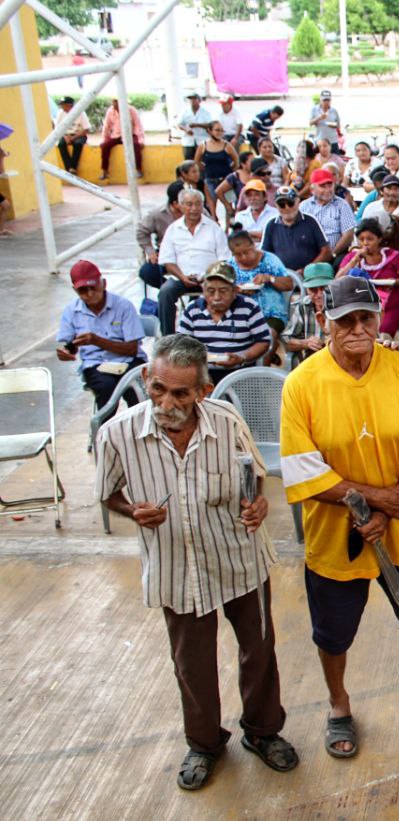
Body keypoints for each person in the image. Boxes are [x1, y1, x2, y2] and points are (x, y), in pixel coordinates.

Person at [95, 334, 297, 790]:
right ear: (147, 378)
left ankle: (264, 733)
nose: (167, 402)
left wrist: (258, 504)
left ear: (203, 391)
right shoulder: (118, 435)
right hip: (177, 568)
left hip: (239, 559)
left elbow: (255, 476)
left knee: (259, 652)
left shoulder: (226, 422)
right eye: (158, 388)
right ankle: (205, 744)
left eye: (181, 393)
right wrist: (133, 512)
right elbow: (108, 495)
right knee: (192, 664)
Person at [281, 276, 399, 753]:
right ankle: (339, 704)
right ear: (324, 322)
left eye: (366, 318)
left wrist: (396, 503)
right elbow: (302, 468)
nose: (357, 329)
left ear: (380, 319)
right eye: (344, 321)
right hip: (336, 530)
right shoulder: (302, 384)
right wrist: (379, 502)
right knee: (332, 633)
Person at [56, 260, 147, 409]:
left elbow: (132, 349)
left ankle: (139, 430)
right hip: (95, 364)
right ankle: (104, 430)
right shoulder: (71, 311)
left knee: (136, 393)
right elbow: (70, 345)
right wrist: (66, 352)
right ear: (75, 291)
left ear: (103, 283)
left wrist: (97, 341)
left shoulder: (123, 306)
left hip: (130, 360)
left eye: (93, 287)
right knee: (106, 389)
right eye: (83, 291)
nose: (90, 294)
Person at [175, 261, 272, 380]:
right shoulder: (192, 309)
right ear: (203, 289)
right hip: (202, 374)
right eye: (211, 291)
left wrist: (242, 358)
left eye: (223, 291)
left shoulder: (249, 307)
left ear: (235, 290)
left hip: (240, 374)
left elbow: (263, 342)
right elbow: (181, 345)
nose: (216, 297)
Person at [157, 189, 232, 335]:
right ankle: (169, 338)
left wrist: (207, 275)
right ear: (180, 205)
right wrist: (182, 277)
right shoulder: (173, 229)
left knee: (221, 292)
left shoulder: (213, 228)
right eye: (189, 204)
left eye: (198, 204)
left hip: (210, 277)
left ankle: (218, 333)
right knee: (165, 293)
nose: (194, 208)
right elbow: (167, 261)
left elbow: (224, 259)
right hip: (180, 277)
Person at [337, 218, 399, 337]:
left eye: (370, 239)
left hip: (389, 306)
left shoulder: (394, 256)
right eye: (361, 239)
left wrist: (393, 282)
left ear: (379, 239)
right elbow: (337, 281)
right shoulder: (353, 257)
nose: (365, 243)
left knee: (381, 332)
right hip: (358, 306)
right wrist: (354, 260)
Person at [227, 229, 292, 349]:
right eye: (238, 255)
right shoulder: (230, 266)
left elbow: (289, 284)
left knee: (267, 337)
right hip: (241, 315)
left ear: (253, 245)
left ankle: (263, 365)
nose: (243, 257)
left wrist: (269, 278)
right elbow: (224, 290)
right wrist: (236, 290)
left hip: (272, 314)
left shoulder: (269, 260)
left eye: (247, 252)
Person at [261, 187, 330, 272]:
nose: (287, 208)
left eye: (290, 203)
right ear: (276, 205)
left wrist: (307, 270)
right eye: (281, 205)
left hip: (310, 276)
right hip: (281, 276)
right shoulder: (271, 225)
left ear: (298, 202)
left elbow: (326, 251)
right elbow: (265, 255)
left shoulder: (310, 221)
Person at [137, 181, 186, 288]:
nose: (189, 205)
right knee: (146, 272)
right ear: (175, 203)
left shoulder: (196, 210)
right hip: (166, 254)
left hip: (192, 252)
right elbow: (141, 231)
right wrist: (150, 251)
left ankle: (195, 299)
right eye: (184, 202)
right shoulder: (157, 214)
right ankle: (171, 289)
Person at [283, 262, 333, 362]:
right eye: (313, 290)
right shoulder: (303, 306)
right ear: (307, 290)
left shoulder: (342, 304)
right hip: (314, 362)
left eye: (324, 288)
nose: (319, 294)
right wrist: (305, 343)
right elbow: (286, 341)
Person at [300, 168, 356, 252]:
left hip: (335, 254)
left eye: (330, 185)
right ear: (312, 189)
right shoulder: (304, 206)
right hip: (308, 254)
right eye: (322, 186)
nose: (327, 190)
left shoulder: (342, 205)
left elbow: (348, 235)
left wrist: (332, 254)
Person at [194, 122, 235, 220]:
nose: (219, 132)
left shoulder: (227, 145)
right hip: (210, 179)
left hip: (225, 180)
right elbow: (197, 161)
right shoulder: (203, 146)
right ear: (209, 131)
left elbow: (236, 161)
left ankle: (228, 229)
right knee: (212, 207)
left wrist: (229, 172)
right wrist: (207, 169)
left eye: (221, 130)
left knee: (228, 206)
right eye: (217, 130)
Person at [98, 98, 144, 181]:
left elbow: (138, 125)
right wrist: (104, 139)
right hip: (116, 135)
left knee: (136, 146)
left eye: (116, 102)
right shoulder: (110, 111)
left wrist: (141, 139)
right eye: (114, 102)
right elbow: (106, 126)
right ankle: (105, 171)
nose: (115, 104)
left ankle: (139, 170)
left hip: (130, 134)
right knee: (105, 147)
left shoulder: (131, 110)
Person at [55, 95, 89, 176]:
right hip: (66, 135)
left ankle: (73, 167)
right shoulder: (61, 113)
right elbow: (58, 128)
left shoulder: (81, 113)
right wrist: (65, 136)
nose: (62, 107)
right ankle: (69, 168)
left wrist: (73, 137)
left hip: (78, 134)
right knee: (61, 145)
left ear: (69, 105)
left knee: (78, 144)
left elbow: (86, 129)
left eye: (64, 105)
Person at [178, 92, 213, 160]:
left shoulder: (205, 112)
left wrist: (197, 125)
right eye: (190, 99)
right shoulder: (185, 112)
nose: (192, 101)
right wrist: (186, 129)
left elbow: (210, 125)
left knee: (203, 161)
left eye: (194, 99)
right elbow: (179, 124)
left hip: (202, 140)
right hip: (188, 141)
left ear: (199, 101)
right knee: (188, 161)